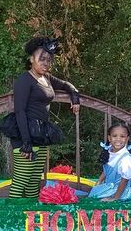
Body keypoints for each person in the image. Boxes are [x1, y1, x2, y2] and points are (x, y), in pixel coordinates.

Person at [8, 36, 80, 198]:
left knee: (34, 179)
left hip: (40, 134)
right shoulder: (24, 80)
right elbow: (20, 111)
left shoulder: (46, 78)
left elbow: (66, 85)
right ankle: (12, 219)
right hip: (24, 135)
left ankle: (30, 218)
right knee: (22, 179)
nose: (45, 63)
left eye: (49, 60)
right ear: (31, 59)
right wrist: (26, 142)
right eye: (42, 59)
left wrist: (75, 98)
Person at [88, 122, 131, 202]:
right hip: (110, 188)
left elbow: (124, 180)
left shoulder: (126, 159)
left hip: (121, 193)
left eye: (122, 136)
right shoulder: (110, 152)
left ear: (127, 139)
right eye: (114, 136)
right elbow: (108, 169)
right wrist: (99, 181)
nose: (118, 139)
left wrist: (115, 198)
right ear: (109, 138)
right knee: (91, 195)